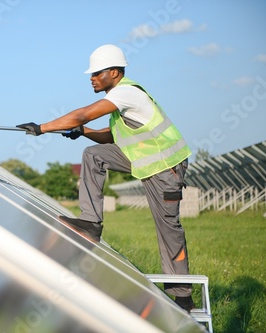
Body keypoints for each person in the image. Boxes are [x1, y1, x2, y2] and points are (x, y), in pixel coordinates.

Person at [16, 44, 194, 312]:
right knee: (93, 154)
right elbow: (112, 137)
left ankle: (183, 299)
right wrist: (83, 131)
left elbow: (82, 113)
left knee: (169, 232)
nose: (91, 78)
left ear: (114, 72)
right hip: (145, 162)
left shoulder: (126, 94)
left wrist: (42, 128)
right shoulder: (119, 99)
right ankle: (90, 223)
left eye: (96, 73)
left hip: (165, 168)